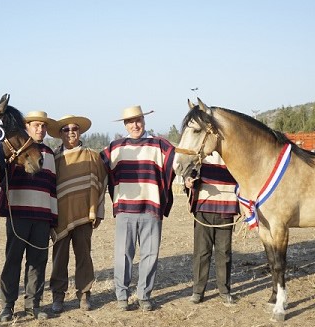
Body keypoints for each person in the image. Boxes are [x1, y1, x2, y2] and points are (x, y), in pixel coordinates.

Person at [100, 105, 176, 312]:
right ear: (125, 125)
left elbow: (178, 162)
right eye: (130, 121)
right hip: (126, 209)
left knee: (150, 254)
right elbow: (99, 167)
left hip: (151, 208)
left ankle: (144, 295)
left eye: (138, 120)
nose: (135, 125)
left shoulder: (160, 145)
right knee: (123, 254)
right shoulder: (115, 147)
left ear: (144, 121)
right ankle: (122, 296)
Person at [0, 111, 58, 321]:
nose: (40, 129)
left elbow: (52, 189)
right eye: (36, 125)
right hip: (19, 215)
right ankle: (7, 306)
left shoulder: (49, 154)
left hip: (42, 217)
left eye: (43, 126)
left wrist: (53, 220)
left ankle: (33, 304)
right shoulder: (13, 151)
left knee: (38, 261)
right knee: (12, 260)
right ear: (27, 128)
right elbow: (3, 178)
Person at [47, 115, 108, 313]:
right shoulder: (54, 158)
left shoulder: (92, 155)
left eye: (75, 128)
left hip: (84, 215)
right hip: (61, 217)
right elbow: (48, 188)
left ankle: (84, 294)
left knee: (84, 256)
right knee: (59, 258)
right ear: (60, 134)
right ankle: (58, 296)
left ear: (80, 132)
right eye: (66, 129)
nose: (71, 132)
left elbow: (101, 184)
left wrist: (98, 211)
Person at [183, 152, 240, 306]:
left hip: (226, 208)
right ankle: (198, 291)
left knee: (224, 252)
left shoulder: (233, 155)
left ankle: (224, 290)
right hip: (203, 208)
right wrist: (188, 180)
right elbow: (190, 170)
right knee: (202, 251)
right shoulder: (202, 154)